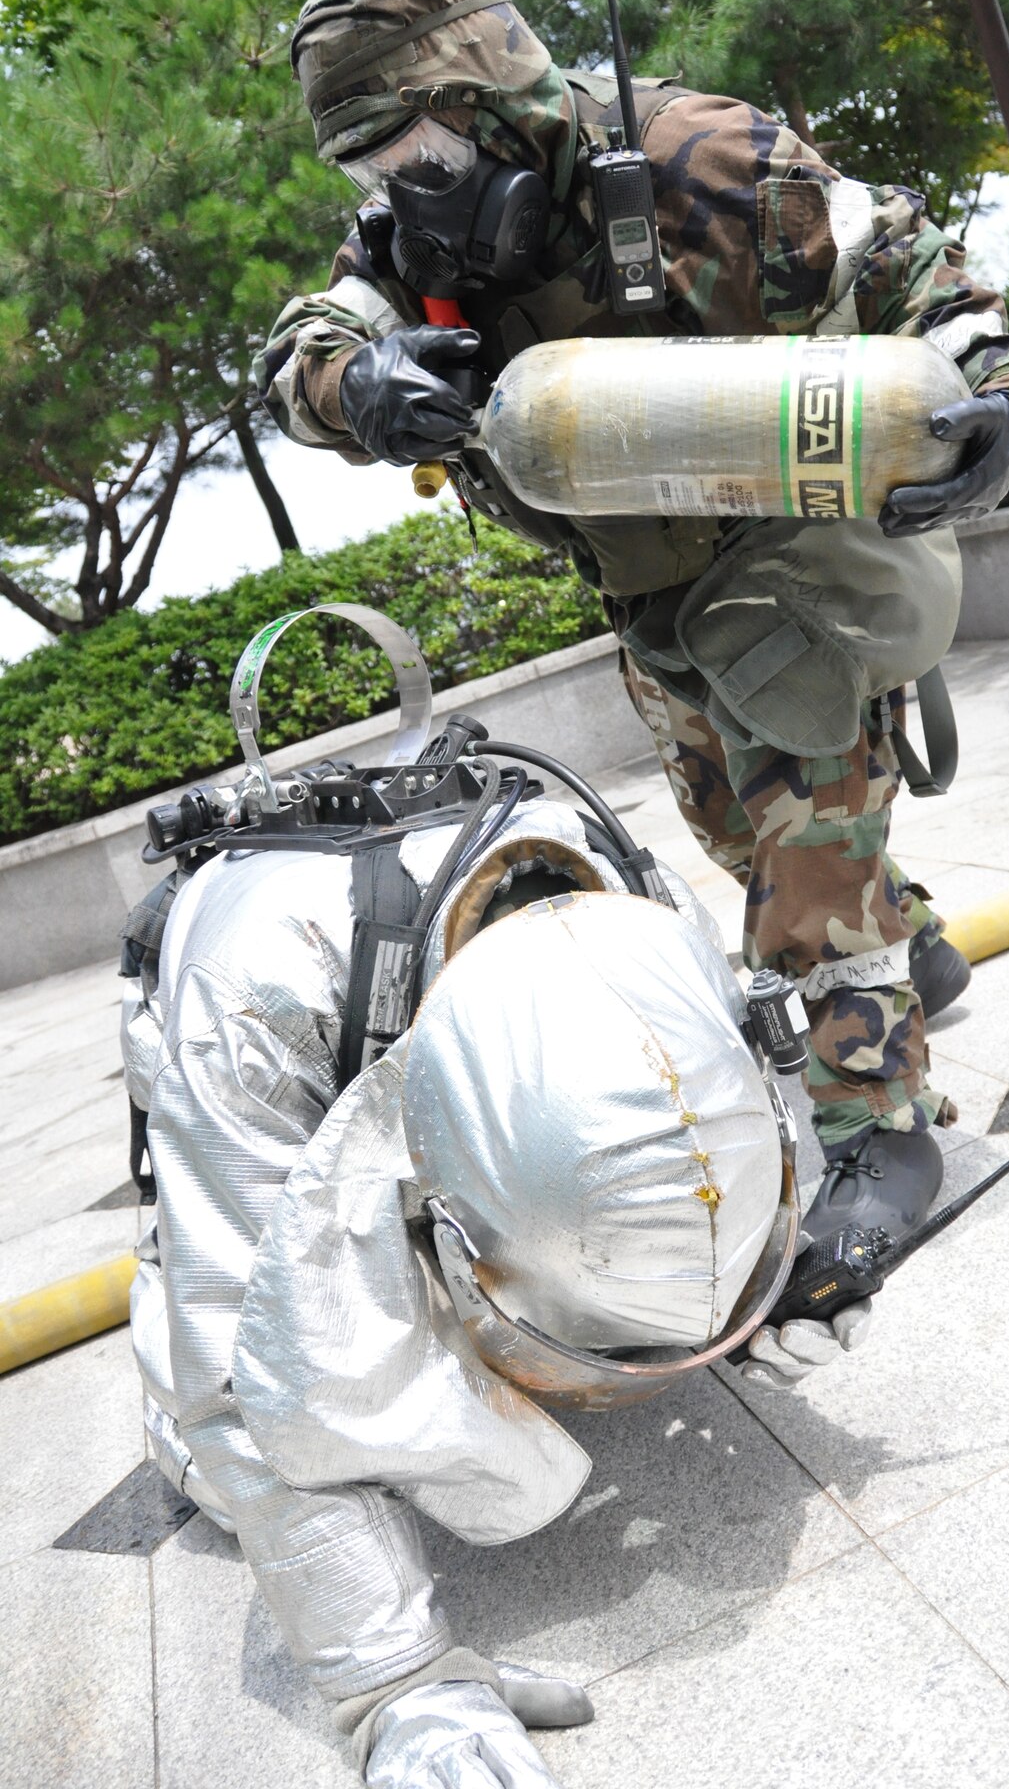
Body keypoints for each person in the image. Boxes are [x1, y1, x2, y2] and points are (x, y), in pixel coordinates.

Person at [258, 0, 1009, 1236]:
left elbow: (898, 249)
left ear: (490, 94)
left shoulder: (698, 159)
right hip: (651, 602)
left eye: (425, 156)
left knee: (801, 881)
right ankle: (914, 937)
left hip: (796, 562)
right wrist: (363, 389)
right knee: (731, 829)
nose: (410, 195)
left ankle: (879, 1133)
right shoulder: (412, 249)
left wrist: (1000, 393)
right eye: (372, 168)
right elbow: (307, 348)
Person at [123, 757, 873, 1787]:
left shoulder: (618, 883)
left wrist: (772, 1276)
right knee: (228, 1451)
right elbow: (239, 1353)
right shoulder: (256, 997)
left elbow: (748, 1097)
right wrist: (393, 1679)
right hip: (252, 1077)